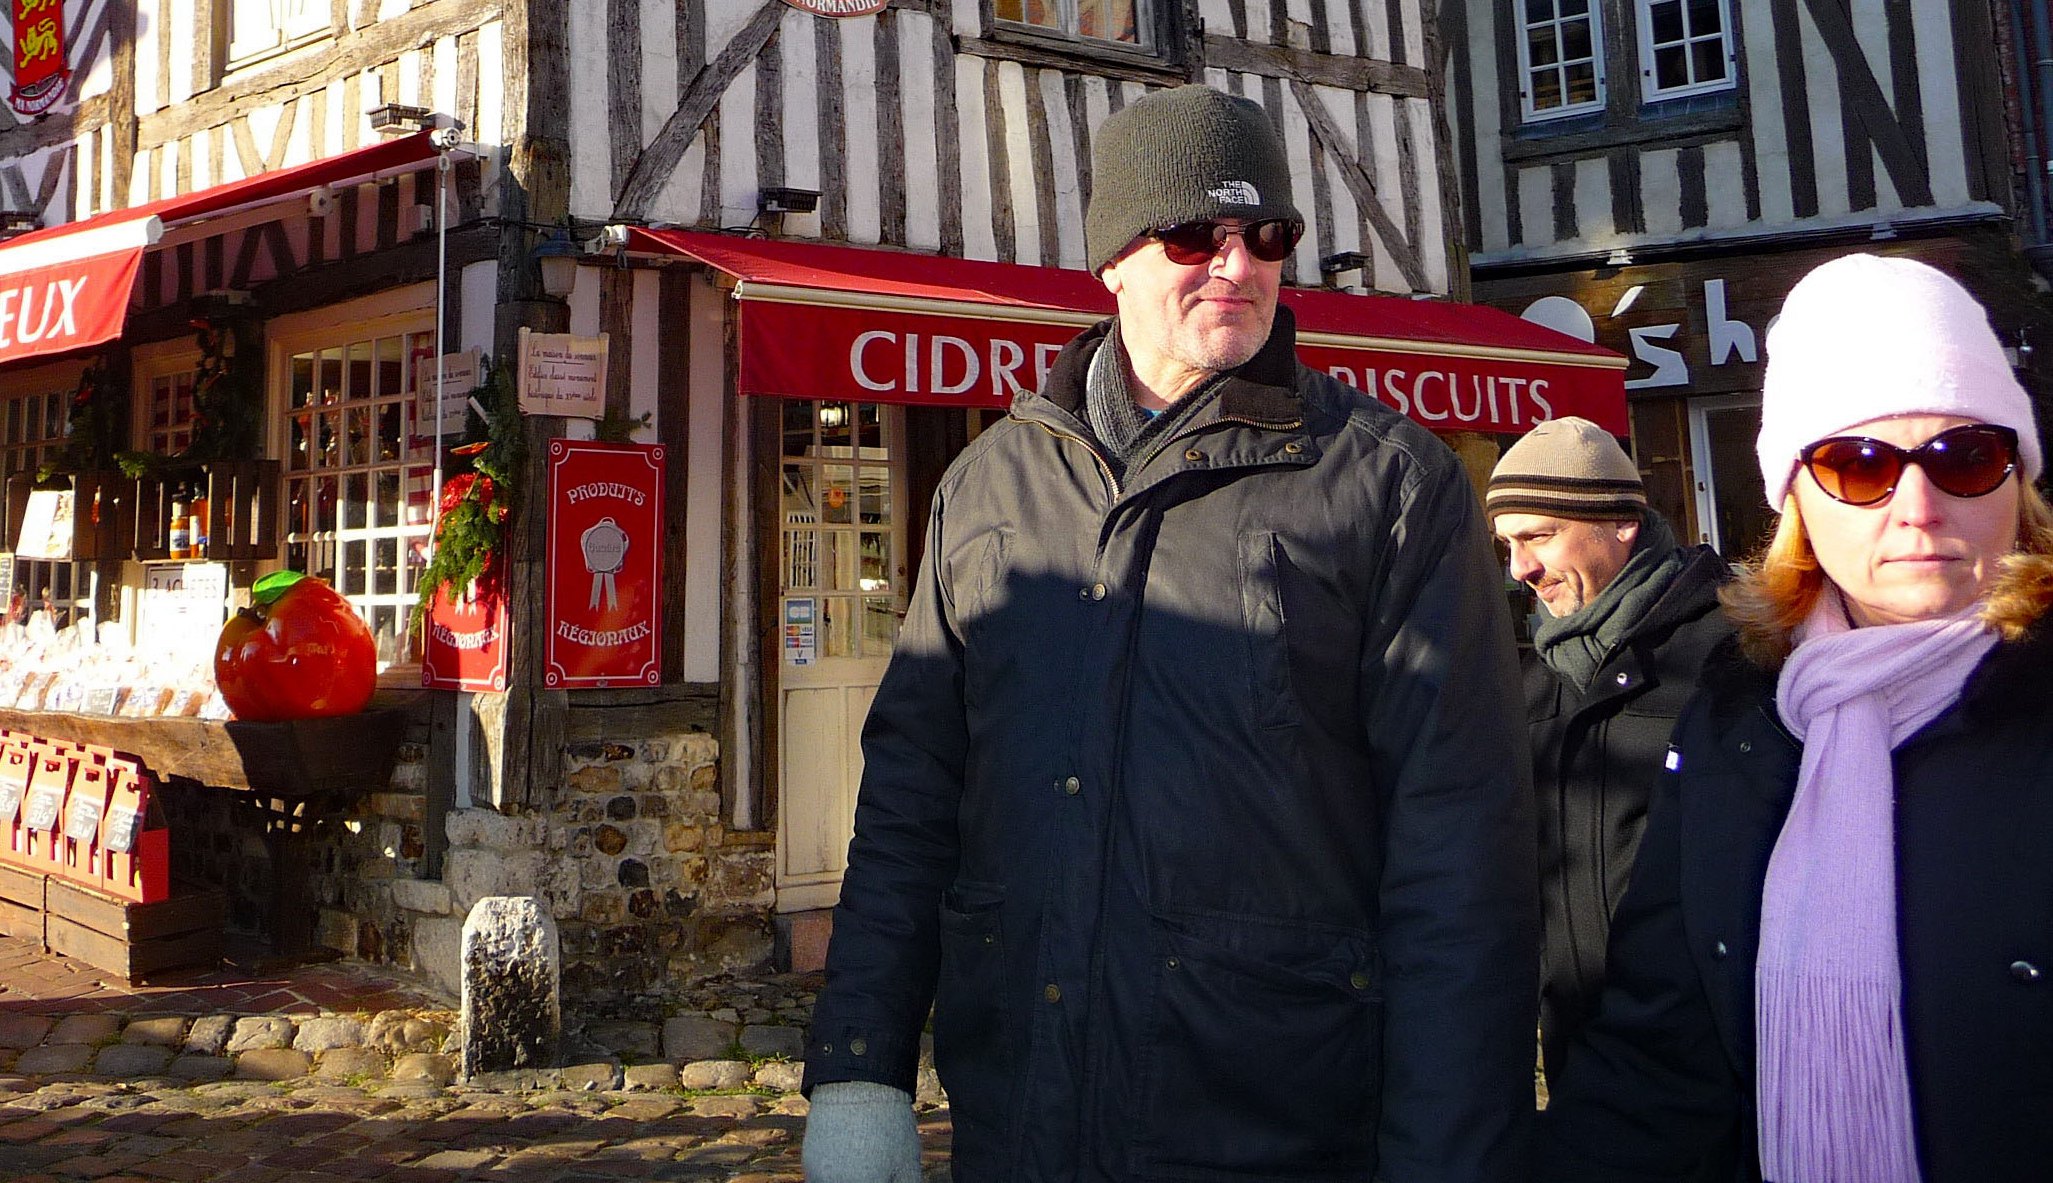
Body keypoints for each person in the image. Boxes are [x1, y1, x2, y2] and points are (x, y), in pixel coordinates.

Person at [802, 84, 1538, 1183]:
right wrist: (859, 1069)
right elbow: (912, 799)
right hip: (1022, 1118)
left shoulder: (1390, 487)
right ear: (1113, 259)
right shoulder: (988, 487)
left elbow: (1461, 859)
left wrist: (1448, 1158)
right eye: (1196, 233)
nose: (1235, 265)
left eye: (1268, 235)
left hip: (1279, 1124)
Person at [1541, 254, 2053, 1182]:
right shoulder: (1739, 719)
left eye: (1965, 457)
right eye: (1857, 464)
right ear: (1797, 503)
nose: (1917, 507)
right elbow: (1659, 1060)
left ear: (2019, 483)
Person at [1489, 418, 1732, 1086]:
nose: (1520, 570)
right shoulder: (1530, 679)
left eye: (1538, 537)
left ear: (1622, 522)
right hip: (1579, 1062)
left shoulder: (1734, 656)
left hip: (1716, 1067)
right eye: (1507, 544)